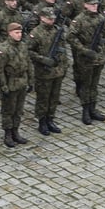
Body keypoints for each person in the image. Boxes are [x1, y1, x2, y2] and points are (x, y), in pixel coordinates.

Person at [26, 7, 68, 136]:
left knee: (54, 97)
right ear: (42, 18)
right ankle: (42, 121)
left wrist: (64, 66)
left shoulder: (57, 31)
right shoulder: (36, 33)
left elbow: (63, 49)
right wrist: (43, 59)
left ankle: (50, 119)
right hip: (43, 72)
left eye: (53, 18)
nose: (52, 20)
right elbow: (28, 51)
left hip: (57, 70)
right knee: (43, 98)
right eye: (49, 18)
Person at [0, 23, 33, 148]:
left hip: (22, 82)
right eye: (16, 33)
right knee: (8, 110)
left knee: (18, 109)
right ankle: (8, 133)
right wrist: (3, 86)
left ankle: (16, 131)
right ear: (10, 33)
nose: (19, 35)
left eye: (20, 33)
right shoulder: (3, 49)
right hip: (10, 83)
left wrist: (31, 80)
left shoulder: (23, 46)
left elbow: (28, 63)